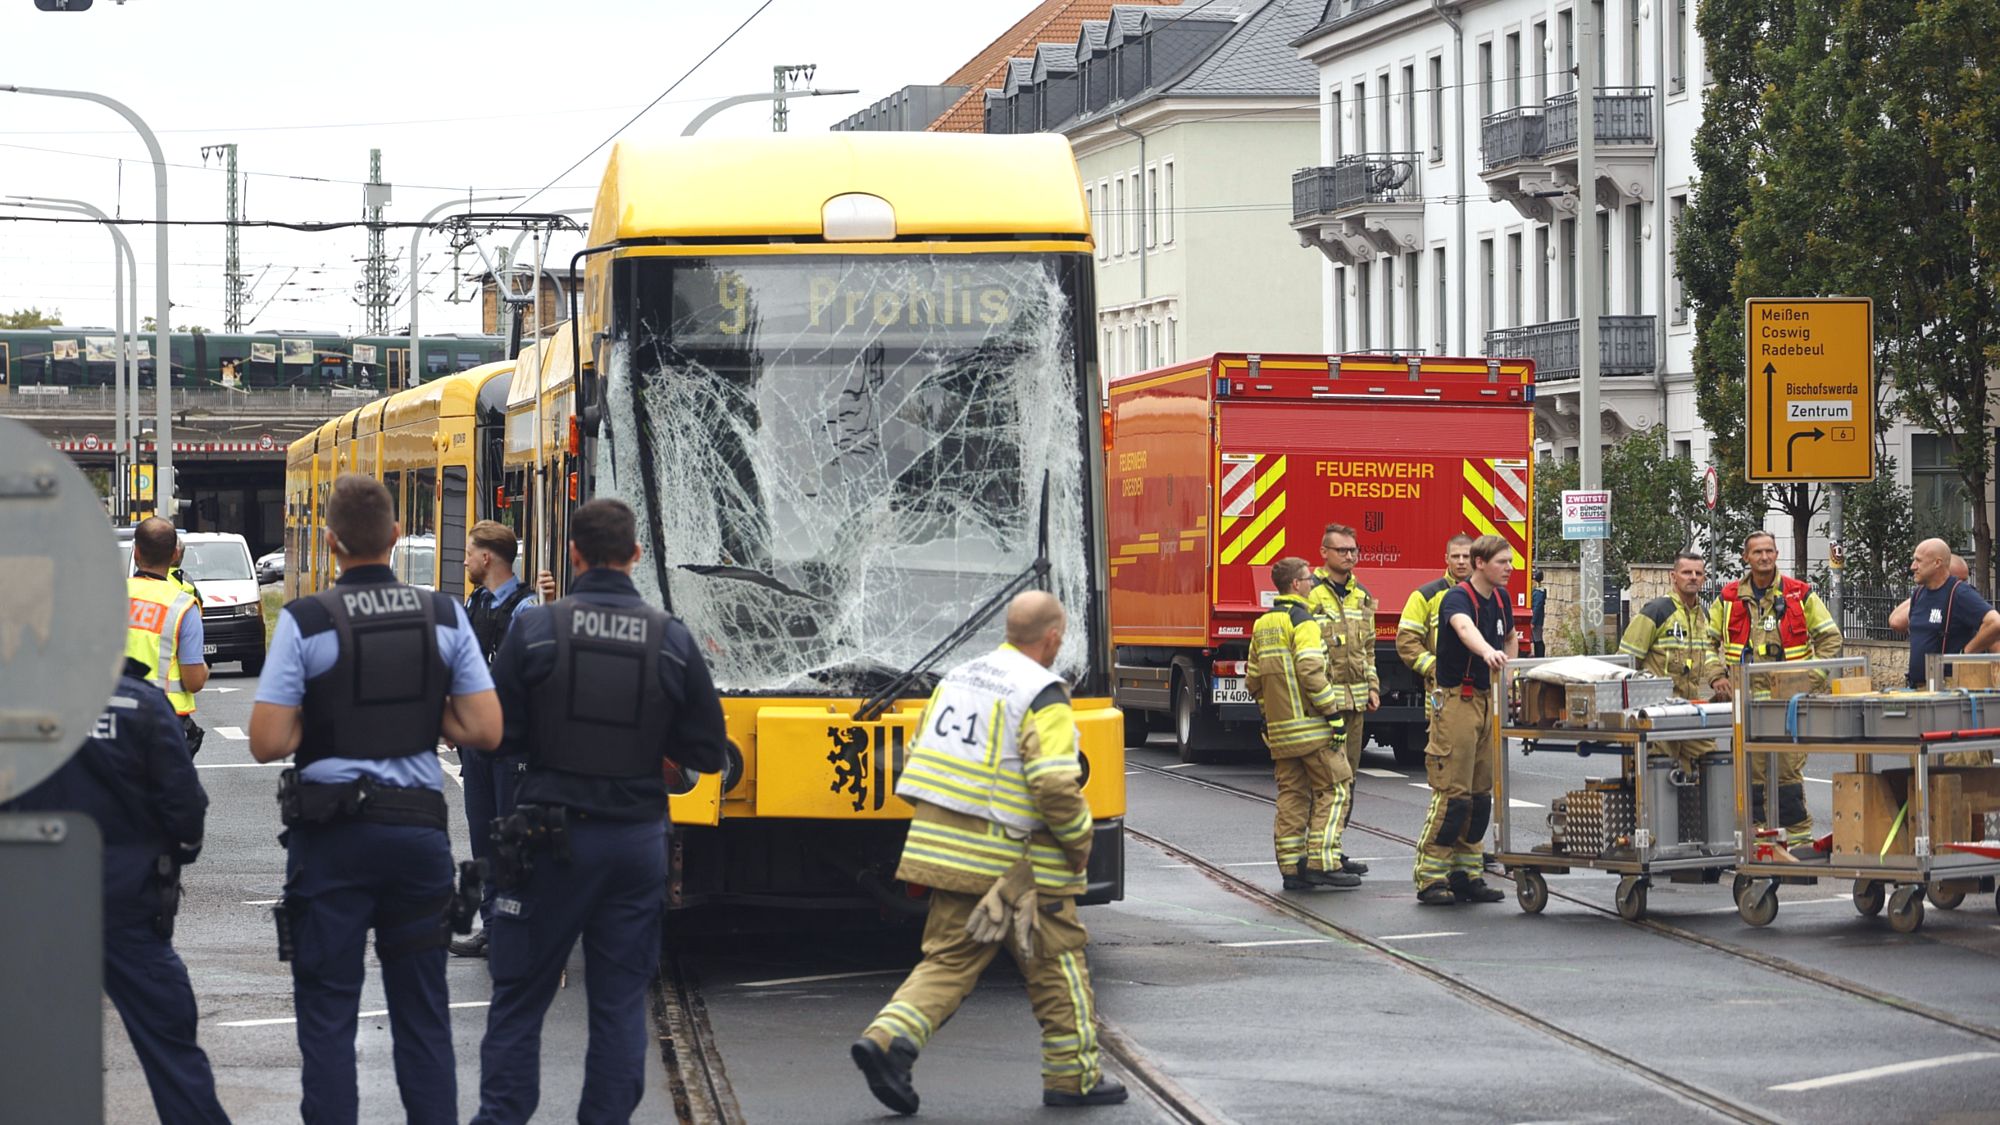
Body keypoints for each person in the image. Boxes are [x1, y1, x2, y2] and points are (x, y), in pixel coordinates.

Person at [248, 473, 502, 1125]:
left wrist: (322, 719)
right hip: (415, 837)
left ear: (331, 542)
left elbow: (267, 741)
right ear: (394, 536)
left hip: (330, 839)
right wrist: (426, 713)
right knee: (422, 1016)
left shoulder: (306, 621)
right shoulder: (443, 615)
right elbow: (485, 729)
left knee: (328, 1018)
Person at [471, 498, 732, 1125]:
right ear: (636, 555)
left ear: (575, 555)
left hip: (548, 834)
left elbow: (496, 735)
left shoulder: (537, 631)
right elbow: (708, 752)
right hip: (633, 841)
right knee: (617, 1006)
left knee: (520, 995)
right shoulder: (670, 639)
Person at [852, 591, 1127, 1116]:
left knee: (949, 959)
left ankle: (887, 1041)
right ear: (1052, 638)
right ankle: (1073, 1076)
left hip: (944, 851)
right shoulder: (1041, 693)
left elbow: (919, 758)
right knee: (1058, 962)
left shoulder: (958, 679)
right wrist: (1078, 844)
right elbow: (1054, 785)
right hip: (1017, 862)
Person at [1, 658, 230, 1125]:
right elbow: (185, 809)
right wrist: (172, 856)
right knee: (172, 1052)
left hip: (38, 908)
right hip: (129, 904)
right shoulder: (141, 704)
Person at [1710, 530, 1842, 850]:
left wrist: (1811, 679)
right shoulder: (1728, 598)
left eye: (1769, 551)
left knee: (1786, 775)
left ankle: (1796, 843)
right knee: (1751, 776)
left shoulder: (1799, 594)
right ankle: (1756, 841)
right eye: (1757, 552)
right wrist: (1716, 675)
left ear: (1776, 554)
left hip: (1788, 704)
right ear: (1746, 557)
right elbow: (1706, 641)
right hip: (1746, 703)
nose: (1765, 557)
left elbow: (1831, 639)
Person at [452, 519, 540, 960]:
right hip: (477, 745)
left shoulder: (527, 609)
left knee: (511, 839)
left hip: (510, 747)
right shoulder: (476, 602)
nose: (465, 561)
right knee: (483, 838)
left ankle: (515, 927)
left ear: (487, 558)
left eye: (469, 553)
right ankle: (491, 928)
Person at [1415, 533, 1517, 906]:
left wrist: (1508, 675)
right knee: (1453, 795)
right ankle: (1431, 877)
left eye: (1510, 562)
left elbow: (1510, 637)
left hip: (1488, 700)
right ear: (1480, 563)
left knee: (1479, 796)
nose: (1509, 568)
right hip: (1458, 698)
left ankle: (1467, 873)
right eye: (1502, 562)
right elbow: (1463, 628)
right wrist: (1487, 652)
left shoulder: (1502, 599)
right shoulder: (1457, 598)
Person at [1257, 556, 1363, 891]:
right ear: (1296, 584)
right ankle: (1323, 862)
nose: (1312, 583)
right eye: (1308, 579)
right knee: (1336, 788)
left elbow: (1253, 679)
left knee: (1292, 795)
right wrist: (1333, 714)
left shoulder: (1263, 624)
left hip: (1281, 731)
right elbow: (1310, 671)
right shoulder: (1304, 622)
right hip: (1313, 727)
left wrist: (1272, 716)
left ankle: (1292, 868)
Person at [1617, 551, 1726, 774]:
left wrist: (1718, 678)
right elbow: (1626, 661)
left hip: (1689, 711)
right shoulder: (1656, 611)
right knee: (1661, 773)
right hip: (1657, 713)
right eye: (1687, 572)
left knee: (1713, 762)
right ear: (1673, 576)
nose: (1693, 577)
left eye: (1698, 573)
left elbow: (1709, 655)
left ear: (1704, 578)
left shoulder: (1704, 616)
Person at [128, 517, 208, 755]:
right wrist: (204, 670)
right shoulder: (183, 607)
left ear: (136, 552)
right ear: (175, 554)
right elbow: (194, 681)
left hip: (113, 720)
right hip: (164, 722)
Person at [1397, 534, 1474, 759]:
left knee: (1478, 764)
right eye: (1456, 556)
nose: (1461, 561)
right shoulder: (1425, 596)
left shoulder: (1489, 595)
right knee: (1444, 762)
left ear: (1476, 559)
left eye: (1466, 556)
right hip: (1443, 694)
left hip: (1480, 694)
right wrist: (1434, 668)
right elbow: (1406, 641)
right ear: (1446, 559)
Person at [1889, 549, 1980, 634]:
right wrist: (1929, 590)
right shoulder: (1924, 595)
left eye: (1964, 581)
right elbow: (1896, 621)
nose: (1961, 585)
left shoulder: (1963, 598)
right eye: (1957, 580)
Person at [1530, 570, 1547, 657]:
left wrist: (1533, 621)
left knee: (1537, 639)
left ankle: (1539, 657)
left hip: (1537, 620)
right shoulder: (1539, 591)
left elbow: (1537, 607)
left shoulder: (1538, 592)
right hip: (1537, 619)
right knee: (1536, 639)